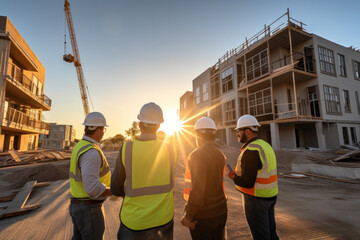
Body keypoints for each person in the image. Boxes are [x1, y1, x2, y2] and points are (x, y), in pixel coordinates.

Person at [111, 102, 177, 240]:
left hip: (134, 223)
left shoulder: (127, 149)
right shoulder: (171, 149)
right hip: (163, 220)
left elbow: (116, 189)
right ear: (159, 125)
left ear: (139, 124)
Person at [228, 114, 279, 240]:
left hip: (256, 199)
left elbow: (247, 182)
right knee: (271, 234)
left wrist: (234, 177)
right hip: (270, 196)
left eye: (238, 131)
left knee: (261, 237)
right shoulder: (266, 145)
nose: (237, 134)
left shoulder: (251, 150)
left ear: (247, 131)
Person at [181, 117, 227, 240]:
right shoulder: (220, 154)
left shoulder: (197, 156)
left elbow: (198, 193)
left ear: (197, 134)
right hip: (221, 211)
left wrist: (187, 216)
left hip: (204, 216)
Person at [69, 112, 112, 240]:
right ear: (98, 130)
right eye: (104, 129)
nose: (104, 132)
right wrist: (112, 190)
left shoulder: (80, 146)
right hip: (88, 209)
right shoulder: (91, 152)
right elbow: (92, 188)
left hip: (79, 205)